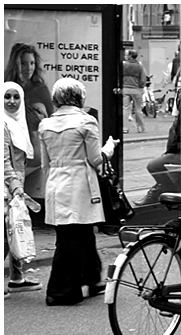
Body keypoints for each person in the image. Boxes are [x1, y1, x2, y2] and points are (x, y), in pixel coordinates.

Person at [37, 78, 117, 306]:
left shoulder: (45, 125)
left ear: (55, 99)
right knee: (74, 239)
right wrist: (109, 148)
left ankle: (92, 277)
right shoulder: (86, 122)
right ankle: (61, 290)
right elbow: (95, 159)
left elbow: (46, 164)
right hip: (80, 183)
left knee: (72, 234)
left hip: (56, 182)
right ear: (80, 98)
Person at [4, 81, 42, 294]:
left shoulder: (17, 122)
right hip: (7, 185)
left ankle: (17, 277)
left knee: (14, 228)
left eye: (16, 97)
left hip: (15, 184)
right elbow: (4, 161)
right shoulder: (3, 124)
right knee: (5, 232)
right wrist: (15, 184)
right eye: (7, 96)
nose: (11, 101)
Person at [5, 43, 53, 203]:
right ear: (16, 64)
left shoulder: (40, 90)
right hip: (10, 150)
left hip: (33, 152)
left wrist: (41, 121)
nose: (29, 68)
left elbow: (52, 122)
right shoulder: (8, 87)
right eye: (24, 63)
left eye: (32, 63)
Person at [121, 50, 148, 134]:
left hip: (126, 89)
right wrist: (141, 86)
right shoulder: (140, 66)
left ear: (130, 56)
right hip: (136, 90)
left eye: (127, 55)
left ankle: (125, 128)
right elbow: (143, 79)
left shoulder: (123, 65)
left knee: (126, 109)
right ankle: (140, 128)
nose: (126, 56)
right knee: (138, 109)